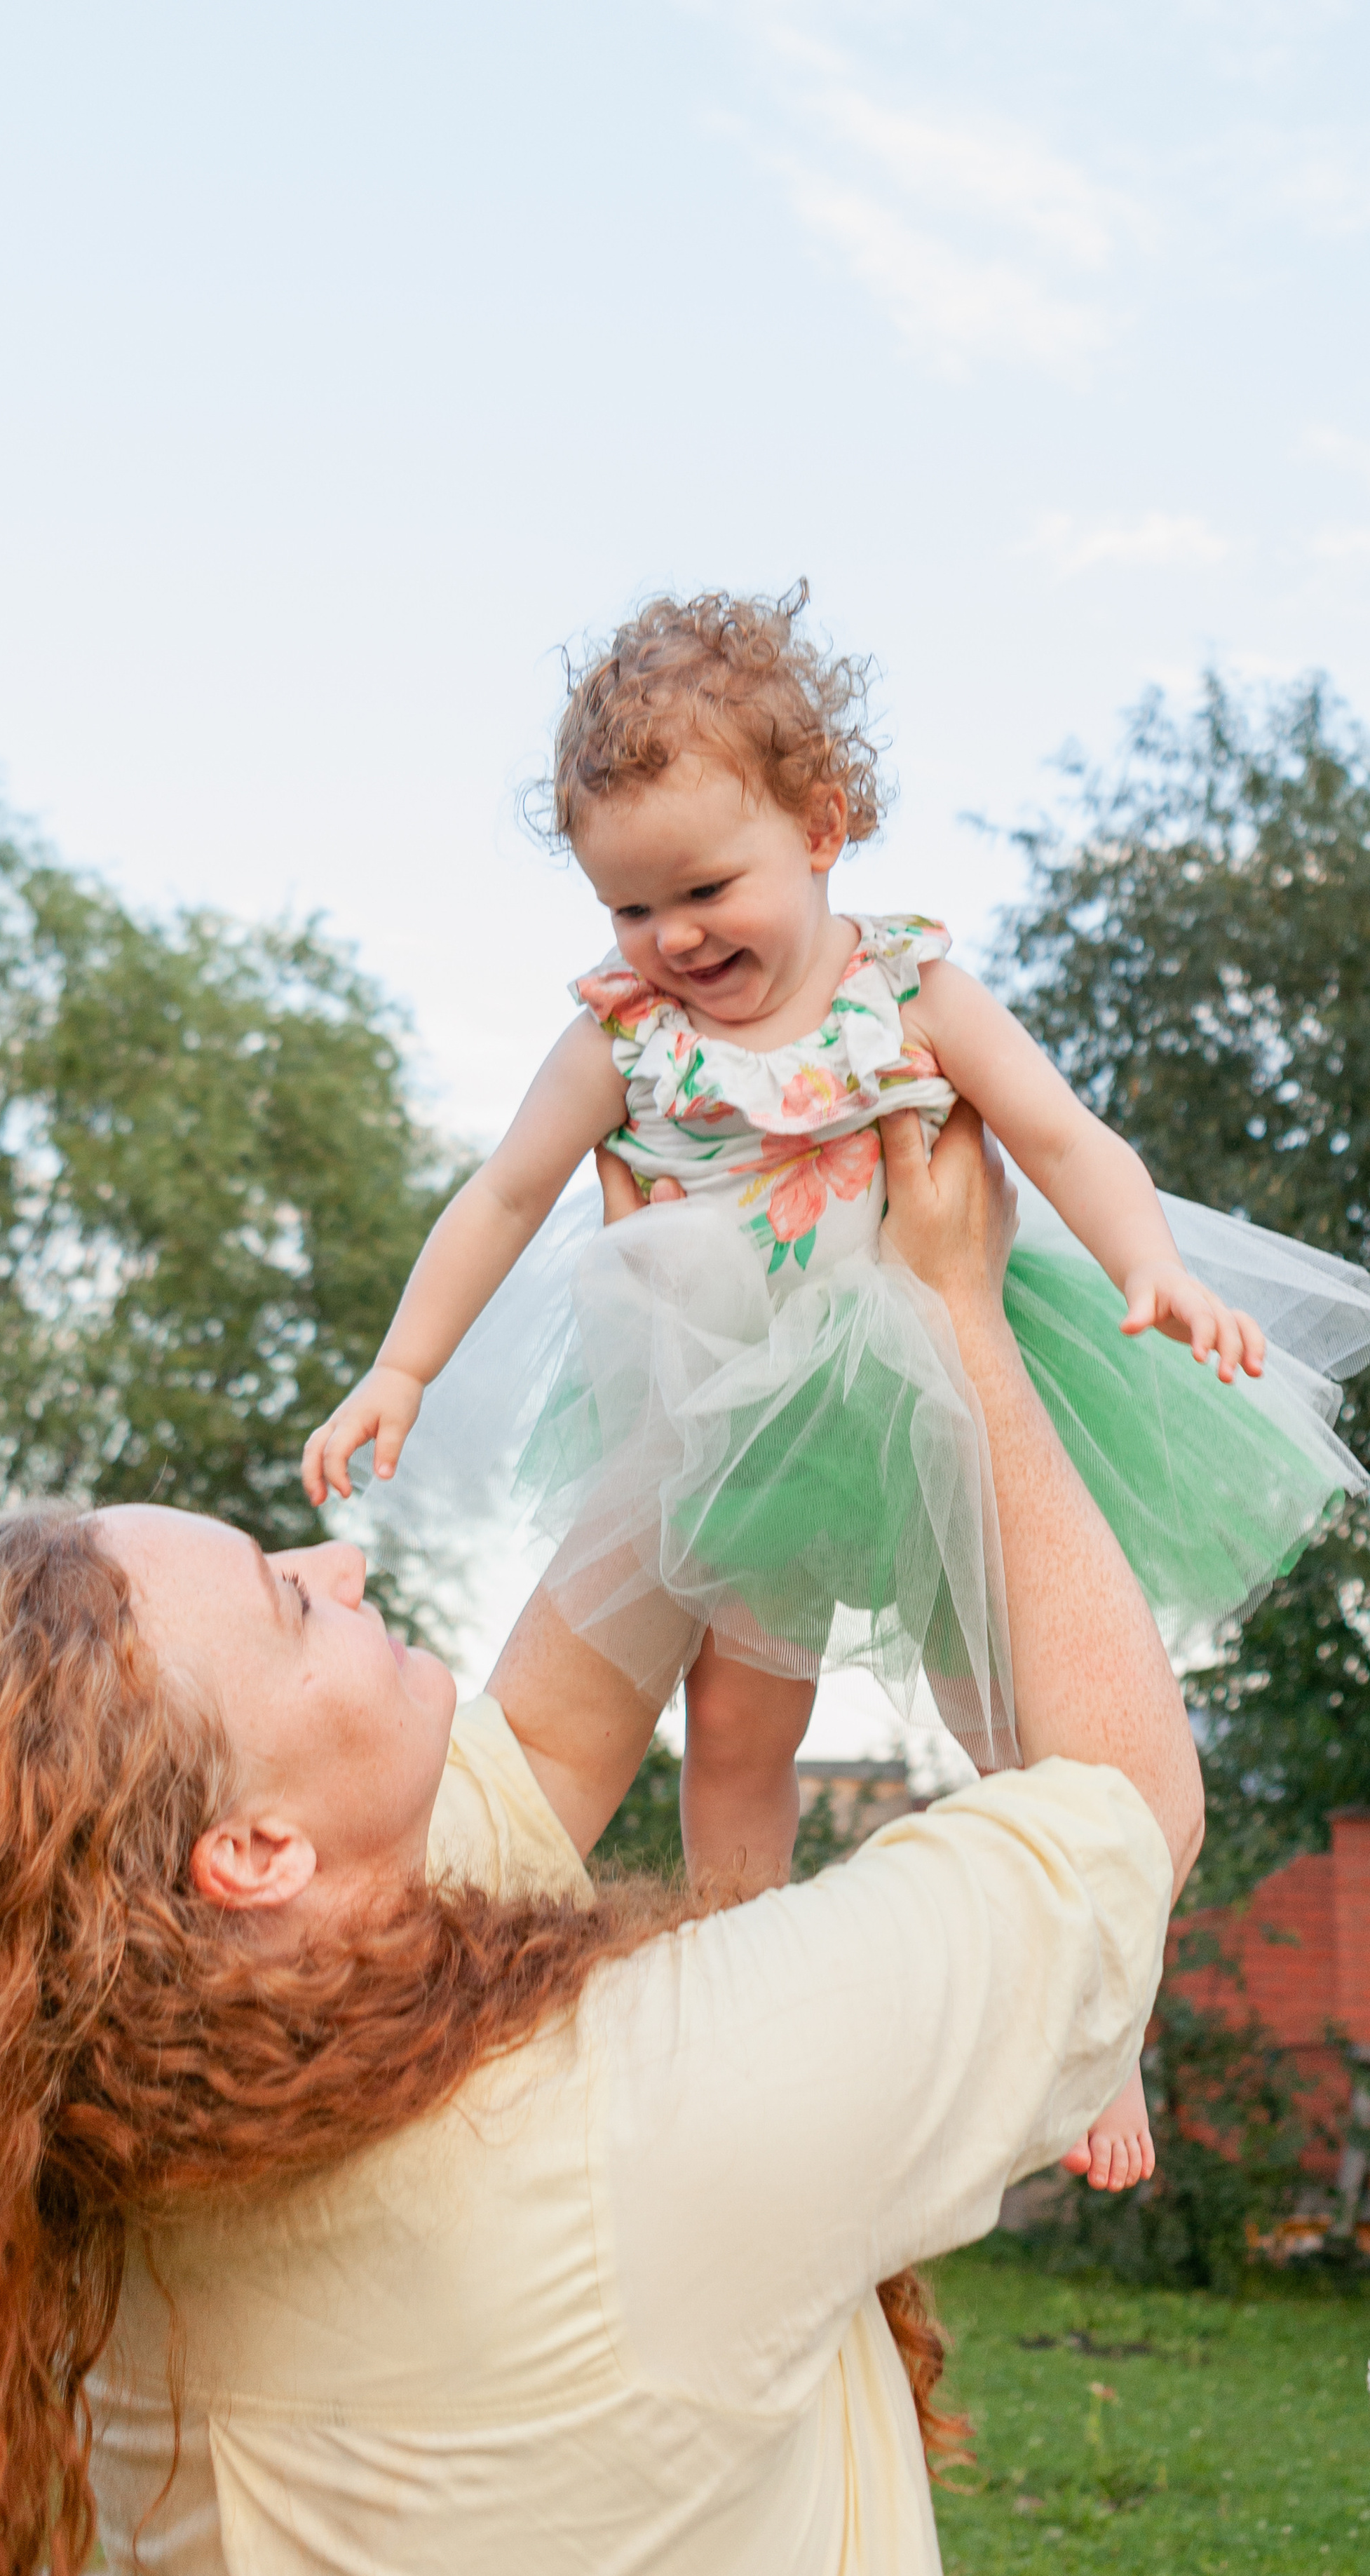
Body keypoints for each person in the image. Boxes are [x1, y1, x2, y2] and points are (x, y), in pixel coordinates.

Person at [0, 1104, 1198, 2576]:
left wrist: (725, 1326)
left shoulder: (150, 2132)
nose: (338, 1566)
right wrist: (955, 1316)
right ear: (250, 1854)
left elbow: (548, 1733)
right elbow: (1123, 1809)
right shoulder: (642, 2122)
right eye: (279, 1604)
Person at [302, 588, 1370, 2190]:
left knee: (1015, 1719)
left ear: (822, 825)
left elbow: (1062, 1137)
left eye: (707, 888)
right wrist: (399, 1365)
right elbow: (505, 1193)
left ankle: (1101, 2037)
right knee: (733, 1721)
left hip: (934, 1375)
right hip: (736, 1409)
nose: (673, 940)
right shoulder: (623, 1038)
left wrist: (1152, 1265)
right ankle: (735, 1963)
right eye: (629, 909)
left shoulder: (911, 989)